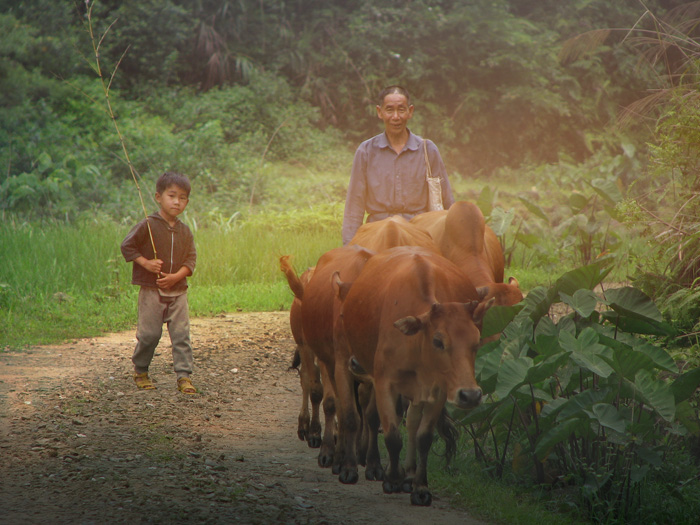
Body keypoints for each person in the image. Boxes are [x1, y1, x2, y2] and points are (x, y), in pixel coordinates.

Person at [342, 85, 455, 245]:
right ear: (379, 112)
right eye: (389, 110)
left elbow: (447, 201)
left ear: (410, 111)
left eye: (401, 110)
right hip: (377, 234)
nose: (396, 116)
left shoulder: (427, 150)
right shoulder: (366, 151)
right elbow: (354, 206)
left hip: (419, 233)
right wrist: (349, 247)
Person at [120, 172, 198, 394]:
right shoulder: (148, 224)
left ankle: (184, 376)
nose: (177, 201)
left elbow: (191, 260)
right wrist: (146, 263)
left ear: (187, 202)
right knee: (149, 334)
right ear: (158, 197)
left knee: (181, 335)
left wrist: (176, 276)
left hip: (178, 291)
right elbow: (127, 246)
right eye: (171, 195)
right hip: (151, 290)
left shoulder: (184, 230)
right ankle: (141, 370)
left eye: (182, 198)